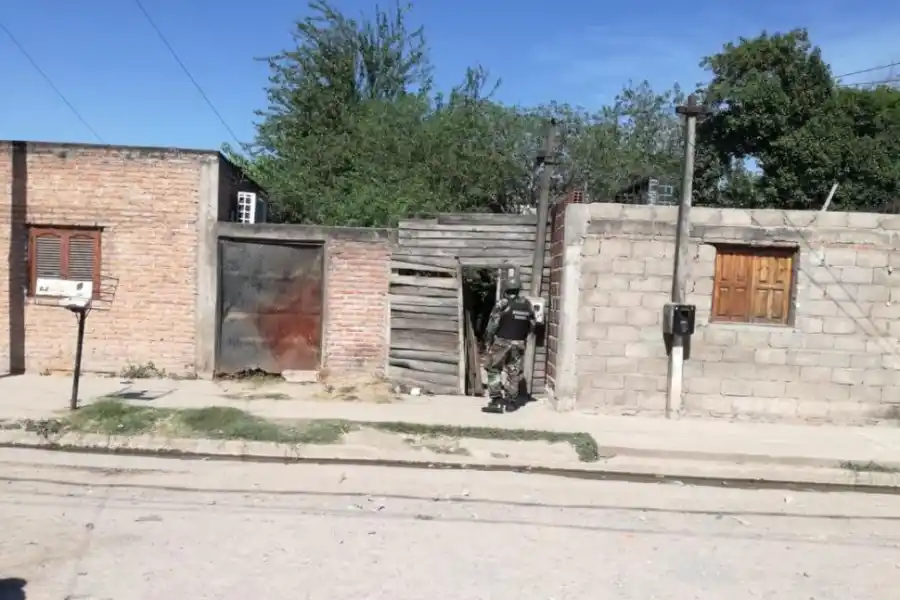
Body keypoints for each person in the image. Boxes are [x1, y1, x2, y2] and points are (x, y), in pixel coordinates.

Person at [482, 275, 536, 413]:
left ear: (506, 289)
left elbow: (492, 325)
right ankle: (512, 403)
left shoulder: (502, 304)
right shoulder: (527, 305)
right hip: (519, 344)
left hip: (502, 342)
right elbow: (532, 325)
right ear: (518, 289)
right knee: (514, 372)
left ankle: (496, 400)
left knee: (493, 369)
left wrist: (487, 340)